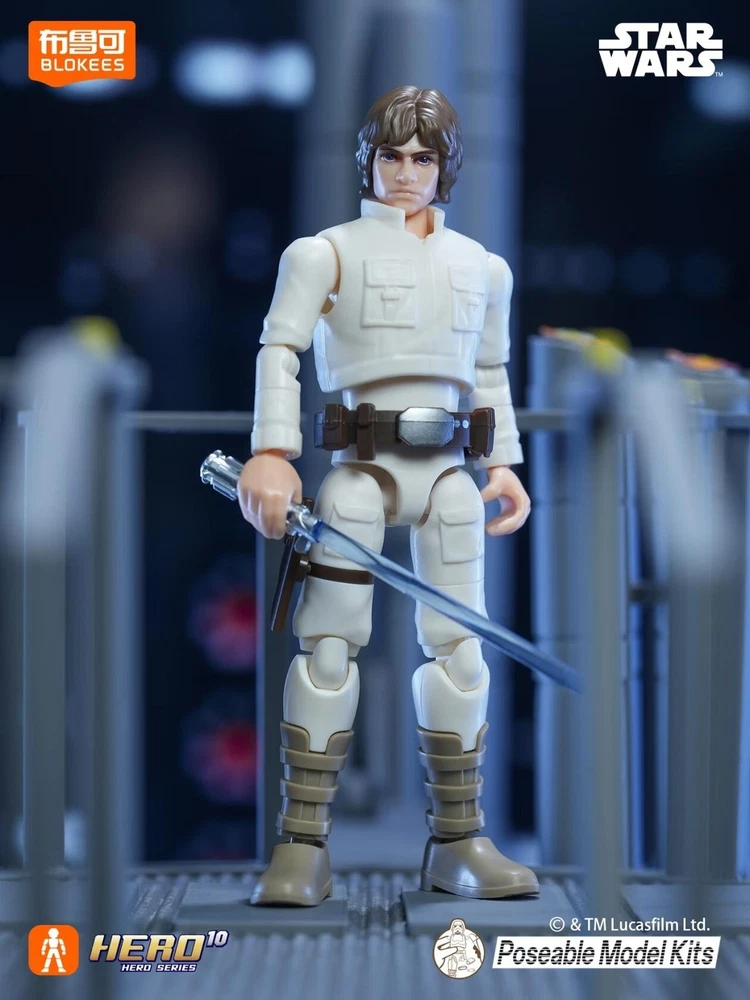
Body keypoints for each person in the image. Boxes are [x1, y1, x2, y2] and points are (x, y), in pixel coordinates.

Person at [239, 85, 539, 905]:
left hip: (447, 477)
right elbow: (280, 349)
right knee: (329, 648)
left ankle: (460, 841)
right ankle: (301, 844)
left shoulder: (483, 267)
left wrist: (502, 464)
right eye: (392, 156)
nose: (406, 173)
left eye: (423, 158)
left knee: (461, 652)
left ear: (446, 168)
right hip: (361, 472)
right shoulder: (325, 253)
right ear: (367, 161)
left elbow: (488, 372)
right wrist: (272, 452)